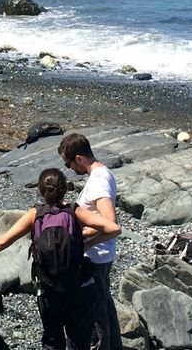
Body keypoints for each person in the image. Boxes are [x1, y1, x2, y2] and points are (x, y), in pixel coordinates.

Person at [0, 168, 121, 350]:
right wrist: (86, 242)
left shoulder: (35, 215)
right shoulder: (75, 211)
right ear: (64, 189)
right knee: (79, 342)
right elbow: (113, 228)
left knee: (52, 341)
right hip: (80, 287)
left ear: (40, 191)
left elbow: (3, 242)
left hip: (48, 289)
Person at [59, 133, 120, 350]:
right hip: (101, 254)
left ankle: (104, 346)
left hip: (97, 255)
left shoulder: (98, 182)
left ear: (78, 158)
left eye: (68, 163)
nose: (69, 169)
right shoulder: (102, 173)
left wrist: (83, 240)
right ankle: (113, 345)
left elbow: (110, 224)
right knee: (104, 303)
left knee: (96, 309)